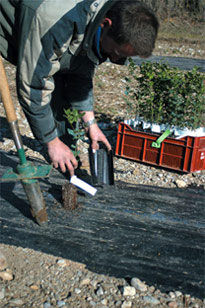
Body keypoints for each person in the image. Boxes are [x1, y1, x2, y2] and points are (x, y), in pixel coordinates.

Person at [0, 0, 159, 176]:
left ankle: (65, 153)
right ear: (105, 24)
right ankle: (57, 148)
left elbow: (80, 70)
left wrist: (91, 124)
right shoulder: (54, 19)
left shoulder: (106, 13)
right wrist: (51, 142)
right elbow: (33, 84)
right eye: (116, 52)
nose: (114, 60)